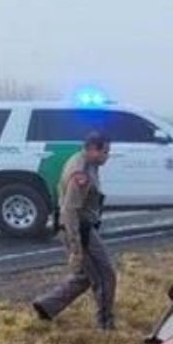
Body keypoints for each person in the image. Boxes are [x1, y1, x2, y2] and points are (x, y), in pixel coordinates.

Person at [32, 132, 116, 330]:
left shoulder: (87, 162)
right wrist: (76, 246)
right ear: (93, 149)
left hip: (83, 226)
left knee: (85, 276)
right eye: (105, 151)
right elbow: (70, 210)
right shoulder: (81, 173)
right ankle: (105, 324)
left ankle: (46, 306)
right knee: (105, 275)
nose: (107, 156)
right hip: (79, 229)